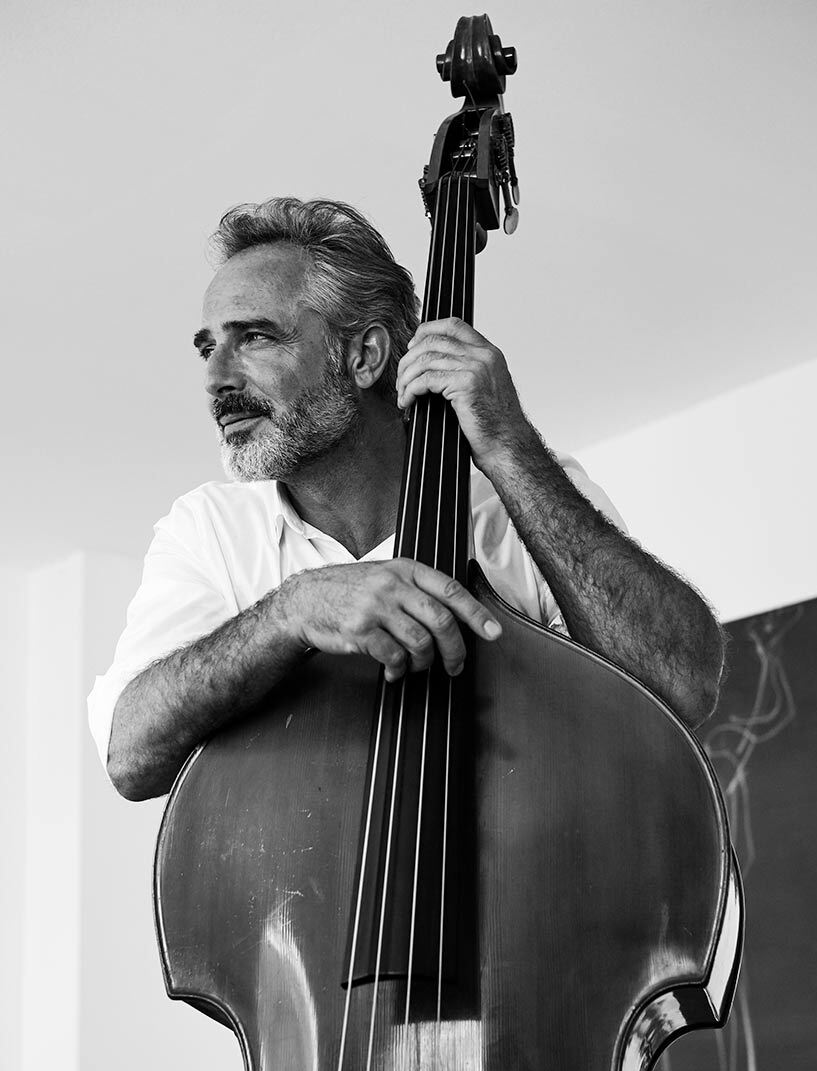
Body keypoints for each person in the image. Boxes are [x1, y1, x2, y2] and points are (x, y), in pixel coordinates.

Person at [88, 198, 725, 802]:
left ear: (364, 356)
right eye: (208, 347)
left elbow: (679, 686)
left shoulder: (525, 491)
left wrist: (509, 446)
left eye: (253, 337)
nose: (215, 377)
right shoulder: (209, 529)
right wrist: (290, 612)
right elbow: (130, 755)